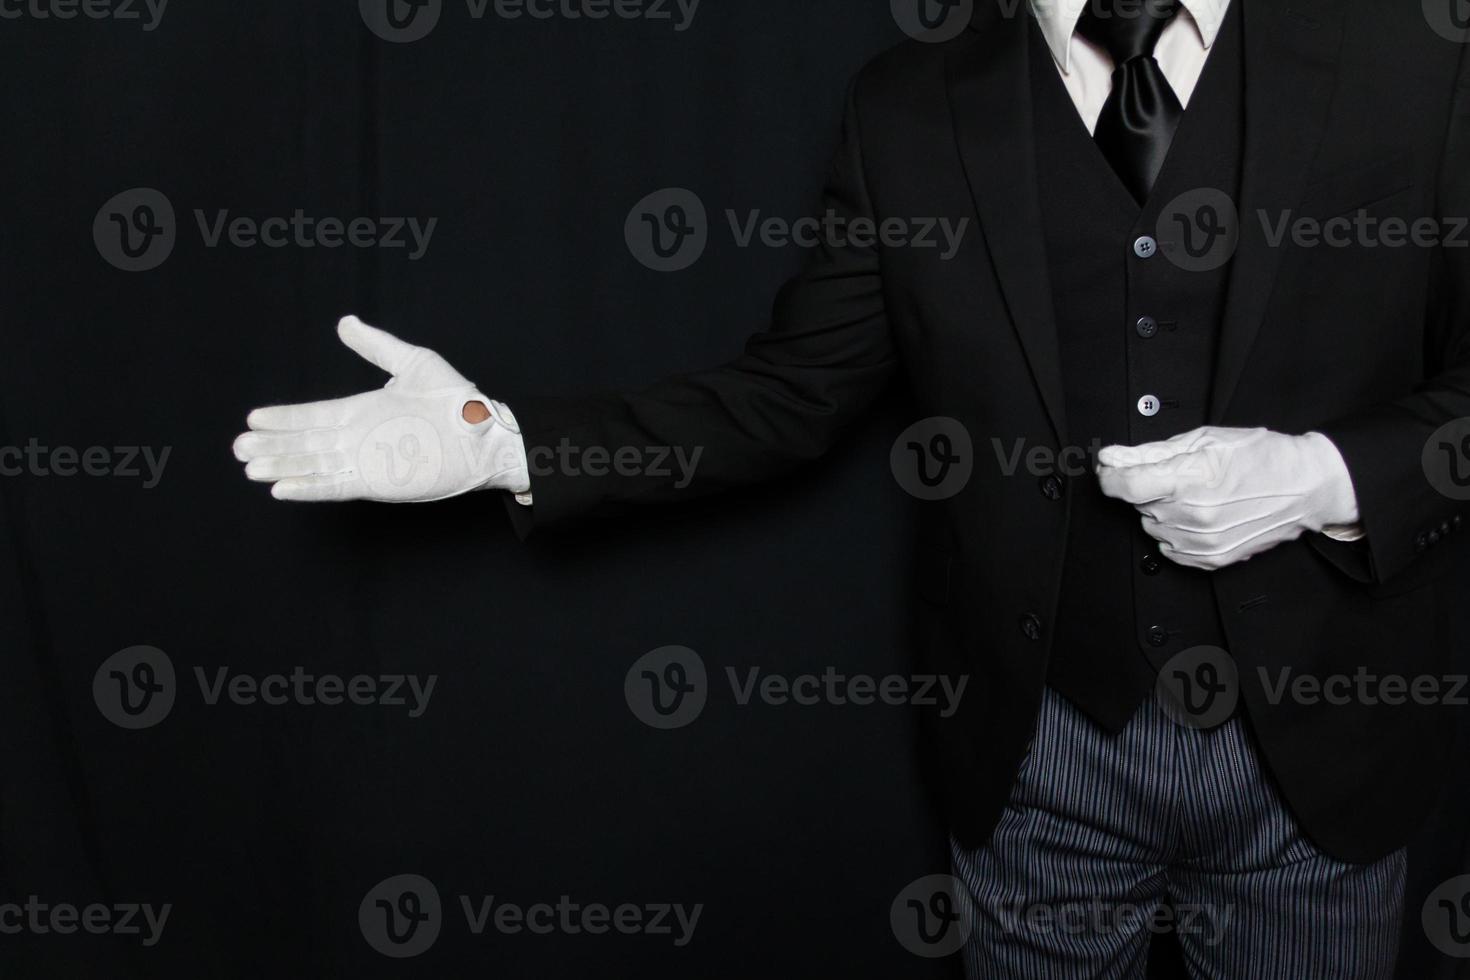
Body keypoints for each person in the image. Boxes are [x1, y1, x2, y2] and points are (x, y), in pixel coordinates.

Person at [233, 0, 1470, 975]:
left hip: (1319, 758)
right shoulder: (909, 107)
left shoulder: (1415, 52)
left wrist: (1320, 477)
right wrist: (508, 442)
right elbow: (788, 395)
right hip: (1038, 764)